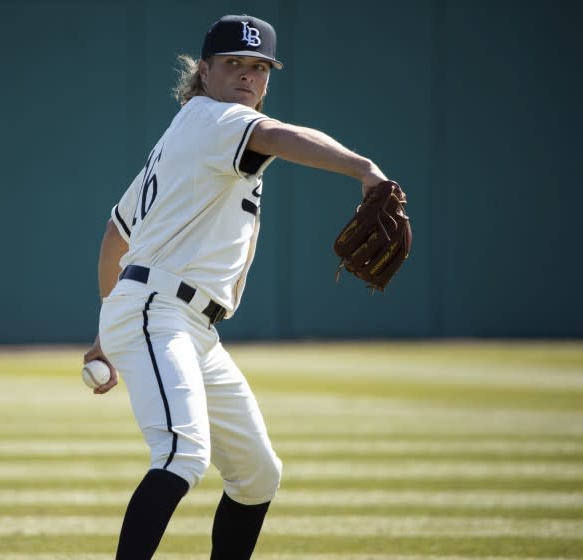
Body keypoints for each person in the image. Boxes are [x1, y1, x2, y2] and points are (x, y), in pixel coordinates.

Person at [83, 14, 392, 559]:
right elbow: (276, 135)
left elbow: (116, 234)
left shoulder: (185, 133)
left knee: (257, 474)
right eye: (232, 64)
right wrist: (363, 168)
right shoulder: (216, 120)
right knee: (182, 455)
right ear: (204, 71)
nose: (247, 76)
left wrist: (110, 326)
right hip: (161, 310)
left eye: (259, 67)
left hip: (183, 323)